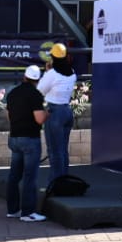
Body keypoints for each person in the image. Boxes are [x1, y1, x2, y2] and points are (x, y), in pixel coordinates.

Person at [5, 66, 48, 221]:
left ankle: (13, 210)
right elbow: (39, 119)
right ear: (37, 80)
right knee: (30, 176)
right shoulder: (35, 95)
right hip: (30, 138)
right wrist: (48, 112)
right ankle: (28, 212)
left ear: (24, 76)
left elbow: (9, 116)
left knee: (14, 175)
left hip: (14, 137)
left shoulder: (12, 93)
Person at [38, 42, 76, 183]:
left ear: (53, 57)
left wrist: (47, 72)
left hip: (54, 112)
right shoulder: (72, 73)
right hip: (67, 111)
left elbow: (40, 90)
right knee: (63, 150)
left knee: (54, 151)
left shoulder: (52, 74)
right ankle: (63, 181)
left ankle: (56, 183)